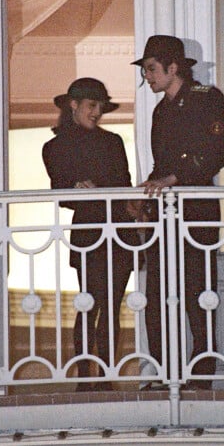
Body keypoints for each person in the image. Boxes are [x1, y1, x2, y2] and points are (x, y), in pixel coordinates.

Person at [129, 35, 224, 390]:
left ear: (173, 67)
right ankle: (163, 372)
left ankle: (201, 376)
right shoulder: (160, 110)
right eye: (146, 70)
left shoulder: (208, 99)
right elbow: (163, 164)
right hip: (164, 214)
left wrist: (177, 178)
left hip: (196, 210)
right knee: (157, 293)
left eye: (152, 69)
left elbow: (222, 149)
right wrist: (147, 195)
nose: (148, 77)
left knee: (198, 293)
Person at [42, 77, 135, 392]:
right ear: (74, 105)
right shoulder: (54, 146)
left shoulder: (113, 142)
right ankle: (84, 376)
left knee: (111, 306)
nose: (97, 112)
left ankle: (106, 376)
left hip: (120, 230)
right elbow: (61, 192)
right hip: (89, 231)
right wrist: (79, 188)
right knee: (88, 304)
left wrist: (97, 189)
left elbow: (124, 186)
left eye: (100, 107)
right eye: (92, 105)